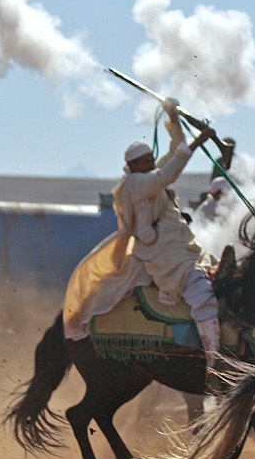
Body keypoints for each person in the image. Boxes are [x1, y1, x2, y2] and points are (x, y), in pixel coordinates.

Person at [62, 105, 225, 378]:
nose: (152, 163)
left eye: (152, 159)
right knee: (203, 297)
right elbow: (168, 173)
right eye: (147, 160)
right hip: (166, 255)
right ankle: (214, 365)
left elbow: (174, 153)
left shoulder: (146, 177)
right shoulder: (137, 184)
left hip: (181, 248)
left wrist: (173, 120)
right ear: (133, 165)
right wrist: (200, 140)